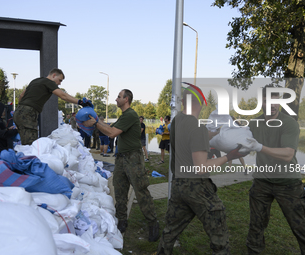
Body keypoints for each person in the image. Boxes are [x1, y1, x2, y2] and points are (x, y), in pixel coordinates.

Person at [157, 85, 246, 255]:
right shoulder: (196, 128)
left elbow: (197, 134)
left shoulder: (176, 122)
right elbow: (201, 167)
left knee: (171, 230)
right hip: (197, 188)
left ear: (183, 102)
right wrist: (230, 156)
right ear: (201, 104)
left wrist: (217, 133)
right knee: (218, 231)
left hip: (178, 185)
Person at [240, 85, 305, 255]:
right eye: (267, 100)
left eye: (275, 100)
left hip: (288, 183)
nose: (271, 104)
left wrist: (260, 147)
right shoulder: (254, 123)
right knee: (256, 224)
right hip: (262, 182)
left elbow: (287, 154)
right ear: (260, 102)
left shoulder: (289, 123)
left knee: (300, 227)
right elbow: (242, 144)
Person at [83, 89, 159, 242]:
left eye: (119, 96)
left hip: (133, 158)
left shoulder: (130, 115)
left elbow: (111, 133)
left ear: (126, 99)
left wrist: (96, 123)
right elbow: (109, 127)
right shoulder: (124, 116)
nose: (116, 99)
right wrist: (96, 118)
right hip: (121, 158)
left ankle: (153, 223)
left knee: (140, 191)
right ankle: (122, 221)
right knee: (120, 191)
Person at [13, 68, 91, 145]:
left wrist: (20, 109)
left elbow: (22, 95)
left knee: (25, 142)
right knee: (31, 144)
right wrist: (80, 102)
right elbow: (63, 96)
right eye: (60, 80)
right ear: (54, 75)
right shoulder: (49, 82)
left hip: (19, 112)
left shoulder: (36, 80)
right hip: (29, 113)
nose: (60, 83)